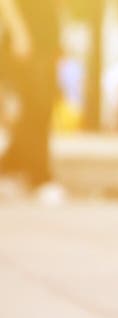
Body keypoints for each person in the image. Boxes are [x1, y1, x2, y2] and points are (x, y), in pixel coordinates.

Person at [0, 0, 61, 196]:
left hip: (47, 36)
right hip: (27, 38)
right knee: (35, 106)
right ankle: (39, 177)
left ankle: (11, 167)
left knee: (42, 107)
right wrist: (19, 32)